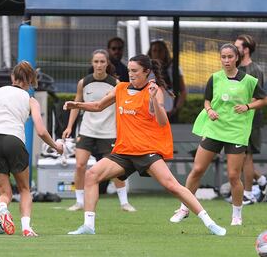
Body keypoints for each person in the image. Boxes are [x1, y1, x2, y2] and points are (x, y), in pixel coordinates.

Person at [65, 54, 226, 236]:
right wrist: (76, 104)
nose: (131, 74)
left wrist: (153, 102)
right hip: (124, 151)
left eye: (135, 71)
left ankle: (210, 223)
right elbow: (98, 106)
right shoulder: (121, 88)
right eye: (129, 71)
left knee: (172, 186)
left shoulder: (154, 90)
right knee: (91, 175)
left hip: (146, 151)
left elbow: (163, 121)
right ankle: (88, 226)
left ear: (147, 72)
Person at [170, 43, 267, 227]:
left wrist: (247, 106)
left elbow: (263, 100)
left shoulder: (249, 81)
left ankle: (237, 215)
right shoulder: (214, 78)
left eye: (230, 56)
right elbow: (207, 101)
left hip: (236, 132)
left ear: (236, 58)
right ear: (220, 58)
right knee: (197, 170)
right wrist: (209, 111)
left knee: (232, 176)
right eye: (223, 57)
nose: (227, 60)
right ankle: (184, 208)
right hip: (214, 129)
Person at [0, 61, 63, 237]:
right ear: (30, 81)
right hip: (13, 140)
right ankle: (26, 228)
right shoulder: (31, 100)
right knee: (24, 189)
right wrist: (56, 146)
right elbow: (40, 130)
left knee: (4, 192)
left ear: (12, 77)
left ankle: (2, 207)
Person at [62, 49, 135, 212]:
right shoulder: (83, 82)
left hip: (109, 132)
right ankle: (79, 202)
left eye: (102, 61)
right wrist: (69, 127)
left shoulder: (116, 84)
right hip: (87, 130)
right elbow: (76, 104)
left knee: (115, 168)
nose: (99, 65)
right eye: (96, 61)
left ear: (107, 63)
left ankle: (124, 202)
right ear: (91, 63)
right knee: (80, 165)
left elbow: (122, 107)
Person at [235, 34, 267, 204]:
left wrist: (245, 108)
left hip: (251, 120)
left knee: (246, 156)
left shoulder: (255, 70)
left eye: (237, 47)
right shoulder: (235, 68)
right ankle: (261, 181)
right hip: (236, 121)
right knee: (236, 157)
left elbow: (259, 98)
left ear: (246, 50)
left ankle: (248, 194)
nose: (234, 49)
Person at [147, 39, 187, 122]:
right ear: (150, 53)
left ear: (165, 52)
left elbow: (183, 91)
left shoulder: (174, 68)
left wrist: (176, 108)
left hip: (170, 111)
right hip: (150, 111)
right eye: (155, 51)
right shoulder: (146, 69)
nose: (157, 53)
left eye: (160, 50)